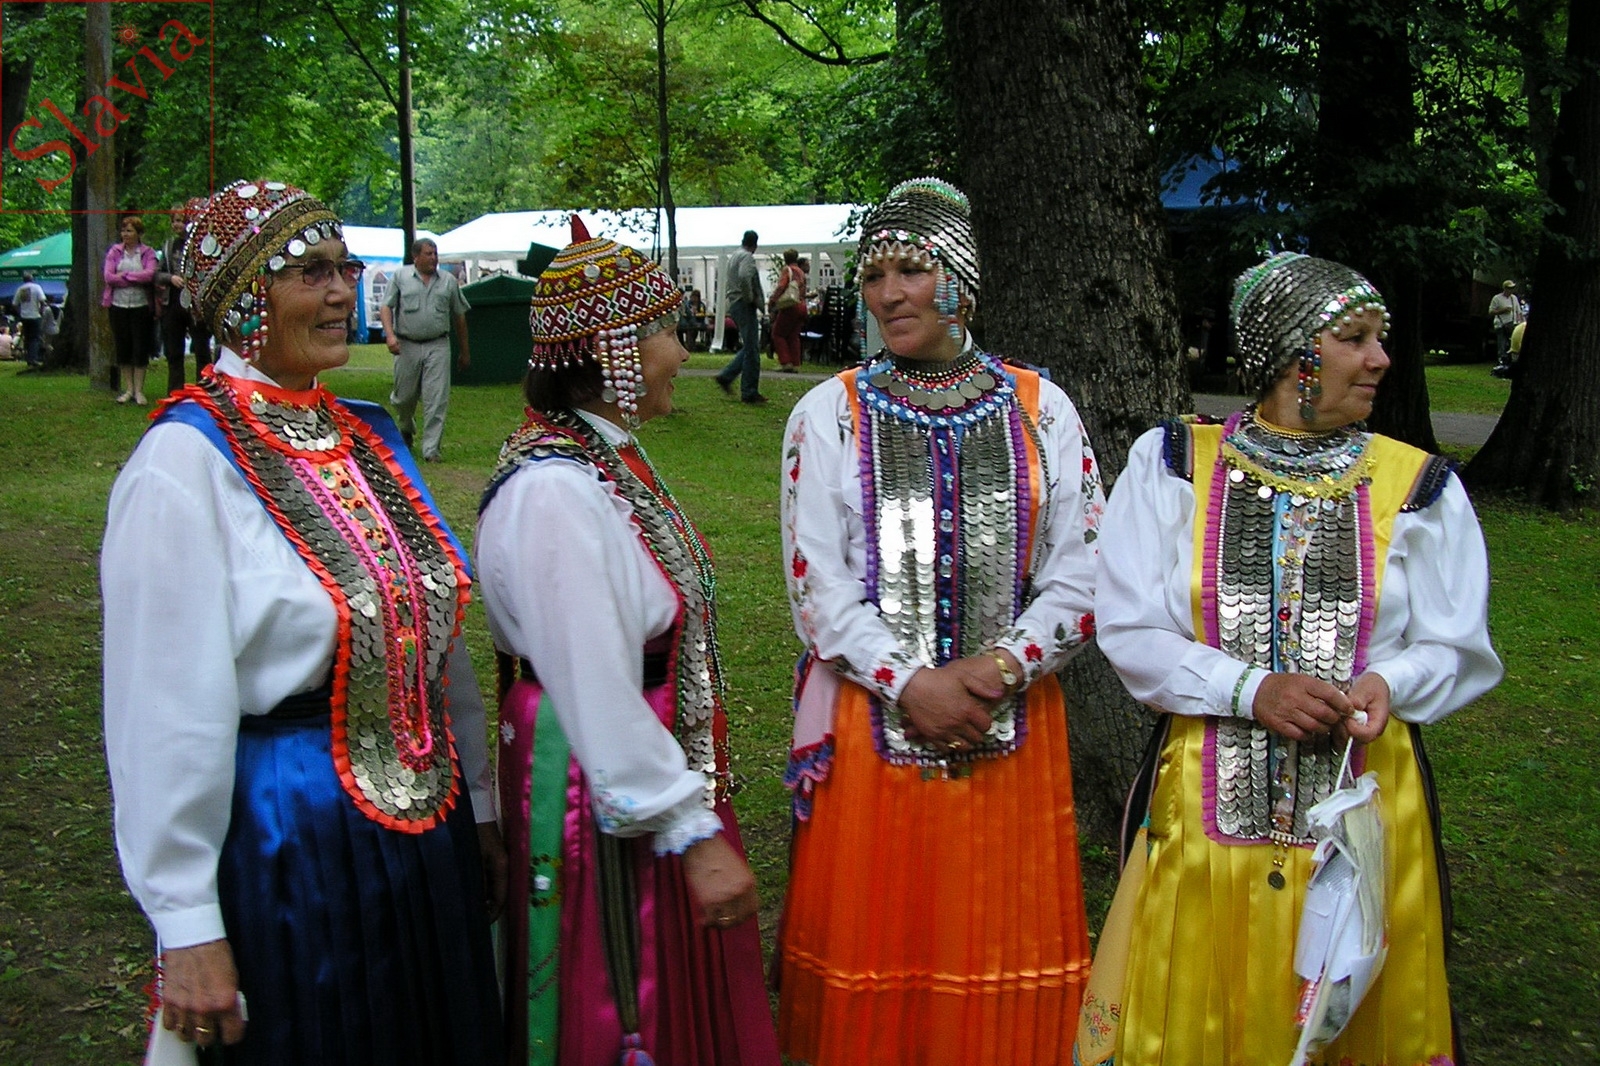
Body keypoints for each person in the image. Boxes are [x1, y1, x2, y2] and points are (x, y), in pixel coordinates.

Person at [101, 179, 503, 1065]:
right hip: (291, 836)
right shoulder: (183, 464)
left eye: (344, 269)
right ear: (244, 297)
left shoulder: (366, 437)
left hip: (423, 828)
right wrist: (187, 921)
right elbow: (162, 708)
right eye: (309, 272)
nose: (338, 292)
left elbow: (430, 632)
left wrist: (477, 804)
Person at [1088, 252, 1502, 1065]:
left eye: (1379, 338)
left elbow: (1456, 645)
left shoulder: (1418, 487)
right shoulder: (1173, 465)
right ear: (1291, 354)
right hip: (1204, 801)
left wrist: (1388, 680)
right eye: (1355, 338)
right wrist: (1251, 688)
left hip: (1368, 804)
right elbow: (1131, 629)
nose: (1381, 359)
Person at [776, 178, 1104, 1064]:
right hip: (870, 726)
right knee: (883, 944)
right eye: (872, 275)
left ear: (961, 276)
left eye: (911, 271)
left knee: (998, 942)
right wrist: (910, 683)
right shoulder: (828, 412)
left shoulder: (1043, 409)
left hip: (1013, 723)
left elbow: (1086, 572)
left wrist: (997, 670)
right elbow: (816, 587)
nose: (888, 294)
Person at [476, 216, 780, 1065]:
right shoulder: (557, 488)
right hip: (599, 769)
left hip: (634, 755)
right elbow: (592, 675)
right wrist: (688, 828)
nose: (681, 353)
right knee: (617, 980)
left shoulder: (600, 460)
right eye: (666, 333)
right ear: (613, 350)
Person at [380, 237, 471, 461]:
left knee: (436, 398)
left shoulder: (448, 281)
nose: (433, 258)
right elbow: (386, 307)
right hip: (407, 345)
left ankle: (431, 450)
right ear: (416, 257)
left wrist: (464, 351)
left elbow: (459, 316)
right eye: (428, 254)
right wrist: (390, 335)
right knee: (403, 397)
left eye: (435, 253)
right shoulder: (401, 277)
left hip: (438, 344)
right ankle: (406, 426)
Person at [159, 197, 214, 393]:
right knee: (174, 351)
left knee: (201, 348)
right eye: (174, 221)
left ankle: (204, 390)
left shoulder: (201, 245)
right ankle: (175, 391)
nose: (177, 225)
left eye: (181, 221)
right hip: (173, 302)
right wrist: (170, 278)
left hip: (195, 304)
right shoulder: (168, 246)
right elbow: (157, 273)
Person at [102, 216, 159, 403]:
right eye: (123, 231)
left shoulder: (148, 253)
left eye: (129, 231)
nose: (125, 234)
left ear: (138, 233)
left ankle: (139, 390)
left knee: (140, 347)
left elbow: (149, 275)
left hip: (141, 306)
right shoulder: (114, 252)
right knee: (123, 346)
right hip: (118, 306)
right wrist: (134, 277)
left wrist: (124, 276)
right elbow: (109, 277)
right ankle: (128, 389)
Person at [715, 229, 766, 403]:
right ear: (755, 244)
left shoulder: (735, 255)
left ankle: (727, 376)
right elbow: (745, 276)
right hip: (743, 303)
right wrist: (750, 297)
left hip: (734, 302)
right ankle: (749, 391)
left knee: (750, 346)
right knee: (752, 350)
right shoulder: (747, 257)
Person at [769, 248, 809, 372]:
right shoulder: (801, 272)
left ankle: (786, 362)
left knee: (778, 334)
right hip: (802, 305)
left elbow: (782, 286)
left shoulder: (788, 270)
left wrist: (773, 300)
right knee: (793, 336)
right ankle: (796, 363)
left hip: (791, 305)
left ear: (785, 258)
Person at [1488, 278, 1523, 373]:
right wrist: (1503, 310)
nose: (1511, 290)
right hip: (1501, 324)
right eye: (1509, 288)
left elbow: (1519, 312)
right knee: (1502, 344)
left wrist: (1520, 322)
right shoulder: (1497, 298)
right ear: (1505, 288)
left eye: (1512, 288)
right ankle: (1501, 363)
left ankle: (1509, 363)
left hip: (1512, 324)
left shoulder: (1514, 298)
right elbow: (1491, 311)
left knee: (1511, 344)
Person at [15, 269, 47, 369]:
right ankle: (33, 359)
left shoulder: (20, 289)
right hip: (35, 316)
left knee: (27, 338)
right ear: (32, 279)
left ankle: (28, 358)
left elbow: (15, 304)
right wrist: (41, 312)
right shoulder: (37, 287)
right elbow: (42, 301)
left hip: (24, 317)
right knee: (35, 338)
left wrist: (20, 313)